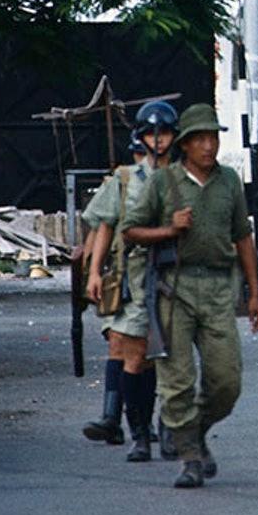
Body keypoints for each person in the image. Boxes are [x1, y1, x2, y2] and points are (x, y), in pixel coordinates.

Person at [122, 102, 258, 489]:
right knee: (177, 380)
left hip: (220, 287)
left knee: (226, 381)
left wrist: (254, 293)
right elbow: (131, 231)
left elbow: (242, 237)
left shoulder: (230, 182)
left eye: (213, 137)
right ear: (184, 145)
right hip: (174, 288)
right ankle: (188, 456)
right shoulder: (162, 183)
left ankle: (196, 430)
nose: (208, 146)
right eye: (199, 139)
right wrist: (168, 229)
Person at [79, 99, 177, 461]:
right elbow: (103, 227)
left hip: (175, 275)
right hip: (131, 275)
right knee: (128, 349)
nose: (159, 141)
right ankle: (134, 429)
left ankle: (166, 428)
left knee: (168, 356)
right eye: (152, 134)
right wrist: (93, 271)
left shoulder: (183, 178)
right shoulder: (125, 179)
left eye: (165, 133)